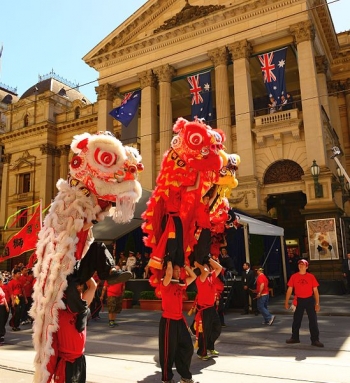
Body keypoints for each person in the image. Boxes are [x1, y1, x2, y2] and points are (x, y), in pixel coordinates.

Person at [46, 276, 97, 383]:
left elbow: (93, 286)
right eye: (76, 286)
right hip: (66, 363)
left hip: (80, 360)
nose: (79, 288)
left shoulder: (82, 307)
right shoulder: (58, 311)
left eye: (81, 286)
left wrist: (82, 271)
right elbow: (51, 347)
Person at [159, 260, 197, 383]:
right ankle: (167, 379)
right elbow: (169, 275)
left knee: (187, 348)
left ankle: (185, 376)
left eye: (179, 270)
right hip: (168, 321)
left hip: (180, 321)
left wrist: (185, 265)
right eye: (176, 270)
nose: (178, 272)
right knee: (168, 352)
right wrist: (169, 259)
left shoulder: (181, 284)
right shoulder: (165, 283)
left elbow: (194, 276)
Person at [284, 259, 324, 347]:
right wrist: (286, 302)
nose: (300, 266)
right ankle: (295, 337)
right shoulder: (294, 276)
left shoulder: (311, 277)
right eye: (299, 264)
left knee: (313, 320)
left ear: (306, 266)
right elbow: (290, 289)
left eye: (302, 264)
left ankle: (315, 340)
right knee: (296, 320)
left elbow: (315, 291)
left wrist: (317, 303)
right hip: (299, 300)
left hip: (309, 300)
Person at [194, 256, 222, 360]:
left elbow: (219, 267)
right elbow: (205, 271)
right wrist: (199, 265)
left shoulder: (211, 277)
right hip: (204, 309)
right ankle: (202, 352)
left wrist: (208, 258)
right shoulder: (200, 279)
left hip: (211, 308)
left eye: (208, 267)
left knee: (217, 328)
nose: (208, 268)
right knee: (204, 332)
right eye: (206, 266)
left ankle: (210, 346)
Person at [0, 273, 10, 344]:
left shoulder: (1, 288)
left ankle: (1, 335)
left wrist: (6, 306)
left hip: (3, 307)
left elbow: (4, 297)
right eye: (2, 281)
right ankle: (1, 336)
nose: (3, 282)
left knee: (3, 321)